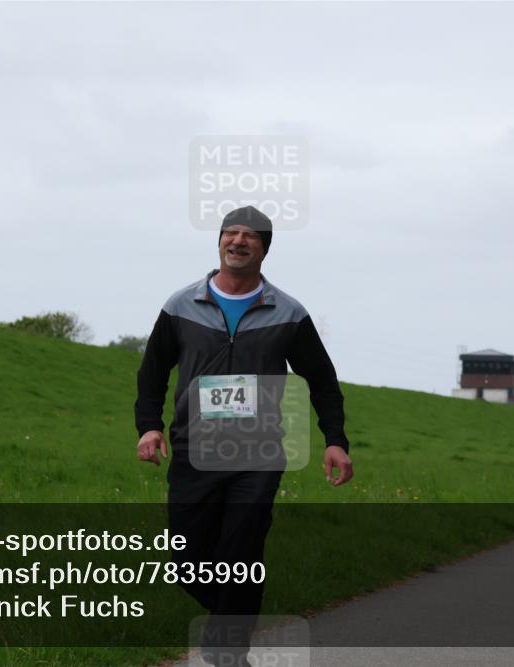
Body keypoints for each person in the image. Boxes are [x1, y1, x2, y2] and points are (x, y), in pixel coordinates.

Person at [134, 205, 353, 665]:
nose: (238, 240)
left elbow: (322, 380)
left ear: (264, 248)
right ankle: (235, 619)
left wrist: (335, 440)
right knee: (187, 563)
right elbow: (152, 373)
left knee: (242, 551)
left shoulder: (288, 312)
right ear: (218, 242)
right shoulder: (180, 306)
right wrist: (149, 427)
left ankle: (227, 653)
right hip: (194, 450)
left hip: (258, 452)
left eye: (250, 235)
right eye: (230, 233)